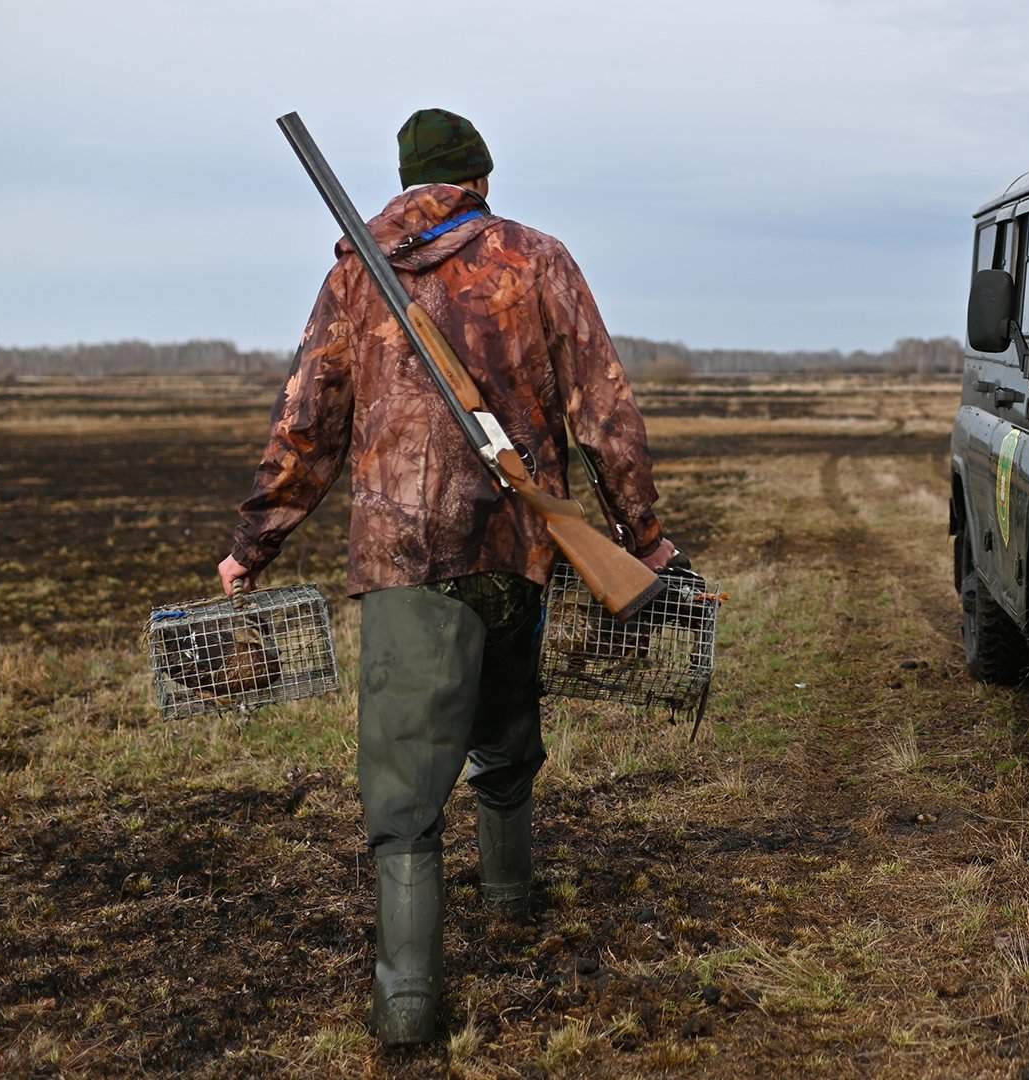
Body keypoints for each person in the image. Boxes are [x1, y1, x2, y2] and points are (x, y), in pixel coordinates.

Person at [216, 107, 680, 1046]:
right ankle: (509, 895)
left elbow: (307, 423)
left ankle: (409, 1000)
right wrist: (643, 535)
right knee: (505, 724)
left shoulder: (355, 274)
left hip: (402, 556)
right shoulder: (536, 257)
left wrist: (253, 543)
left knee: (403, 784)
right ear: (479, 178)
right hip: (519, 547)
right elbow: (605, 407)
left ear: (404, 182)